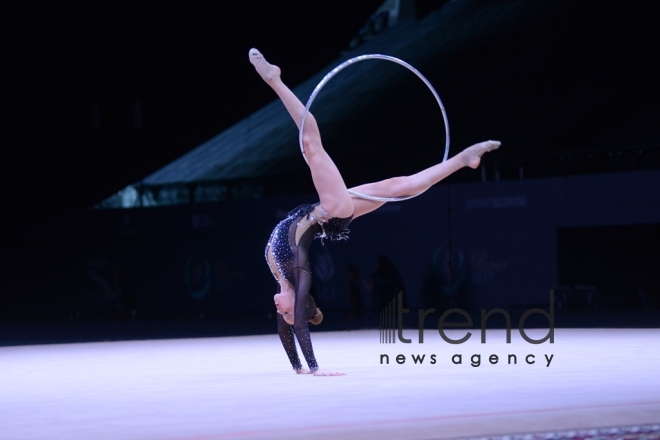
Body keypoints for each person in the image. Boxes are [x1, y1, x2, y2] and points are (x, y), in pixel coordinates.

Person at [252, 48, 500, 376]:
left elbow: (287, 332)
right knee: (311, 145)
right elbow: (296, 327)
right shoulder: (299, 273)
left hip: (328, 213)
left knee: (400, 186)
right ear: (296, 307)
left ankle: (464, 158)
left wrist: (296, 367)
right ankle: (275, 80)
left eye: (281, 314)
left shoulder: (280, 276)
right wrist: (312, 369)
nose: (277, 311)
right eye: (283, 313)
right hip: (332, 210)